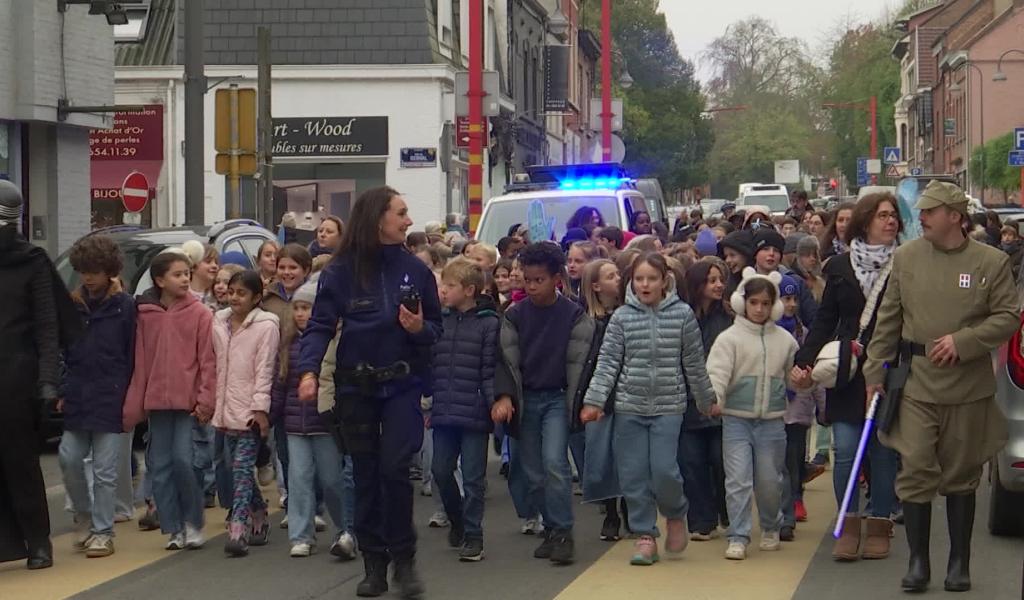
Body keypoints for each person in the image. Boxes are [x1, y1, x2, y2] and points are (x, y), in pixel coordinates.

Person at [861, 181, 1017, 593]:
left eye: (929, 212)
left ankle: (959, 563)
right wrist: (874, 372)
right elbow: (888, 321)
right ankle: (917, 562)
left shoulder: (991, 262)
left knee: (962, 474)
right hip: (916, 384)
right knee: (915, 469)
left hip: (968, 387)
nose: (921, 218)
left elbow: (1007, 317)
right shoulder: (907, 258)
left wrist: (964, 342)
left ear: (954, 216)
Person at [298, 186, 442, 598]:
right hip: (356, 387)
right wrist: (308, 372)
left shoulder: (415, 270)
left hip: (401, 385)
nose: (409, 220)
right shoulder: (339, 272)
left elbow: (436, 329)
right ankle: (374, 564)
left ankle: (405, 560)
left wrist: (419, 329)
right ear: (379, 217)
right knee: (364, 476)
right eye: (402, 213)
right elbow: (321, 326)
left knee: (395, 470)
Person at [581, 252, 714, 566]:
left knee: (665, 470)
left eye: (651, 279)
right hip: (630, 405)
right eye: (639, 279)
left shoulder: (682, 315)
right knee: (633, 474)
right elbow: (607, 364)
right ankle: (645, 536)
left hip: (670, 405)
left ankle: (676, 512)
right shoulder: (622, 317)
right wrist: (594, 401)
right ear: (631, 282)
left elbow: (694, 362)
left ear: (664, 281)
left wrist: (706, 400)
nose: (645, 284)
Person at [792, 192, 903, 561]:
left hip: (888, 370)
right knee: (844, 451)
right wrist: (805, 359)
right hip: (848, 371)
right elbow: (826, 319)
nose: (891, 222)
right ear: (866, 221)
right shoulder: (839, 266)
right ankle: (848, 523)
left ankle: (879, 523)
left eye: (894, 216)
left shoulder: (905, 264)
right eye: (883, 215)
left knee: (883, 453)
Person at [492, 242, 595, 566]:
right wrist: (505, 396)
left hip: (556, 399)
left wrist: (582, 402)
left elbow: (582, 363)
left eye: (539, 280)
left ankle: (563, 532)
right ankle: (551, 527)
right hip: (526, 400)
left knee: (555, 464)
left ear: (557, 279)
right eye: (528, 279)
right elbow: (504, 361)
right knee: (532, 472)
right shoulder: (514, 315)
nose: (532, 286)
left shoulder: (574, 315)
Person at [0, 183, 82, 570]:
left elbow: (49, 325)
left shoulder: (32, 261)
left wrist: (47, 379)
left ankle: (37, 540)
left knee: (20, 461)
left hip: (16, 376)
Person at [123, 251, 217, 551]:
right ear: (160, 280)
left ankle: (193, 522)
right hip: (156, 405)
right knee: (159, 467)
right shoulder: (146, 315)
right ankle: (172, 527)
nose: (185, 279)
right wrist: (135, 403)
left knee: (184, 462)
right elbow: (140, 361)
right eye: (177, 274)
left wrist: (205, 400)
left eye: (187, 273)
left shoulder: (201, 314)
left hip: (187, 404)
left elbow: (207, 361)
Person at [706, 268, 798, 561]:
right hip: (735, 420)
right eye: (754, 302)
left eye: (766, 303)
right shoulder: (728, 339)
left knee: (770, 480)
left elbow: (794, 376)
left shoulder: (785, 340)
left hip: (772, 422)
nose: (759, 309)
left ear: (775, 306)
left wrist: (804, 380)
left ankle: (771, 525)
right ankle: (738, 534)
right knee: (738, 480)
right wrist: (715, 398)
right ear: (741, 302)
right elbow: (717, 372)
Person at [58, 235, 136, 559]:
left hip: (111, 396)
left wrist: (132, 394)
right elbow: (62, 350)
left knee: (106, 470)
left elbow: (133, 353)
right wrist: (62, 388)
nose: (89, 277)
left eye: (95, 270)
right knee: (68, 457)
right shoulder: (72, 305)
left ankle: (103, 532)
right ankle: (84, 514)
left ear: (109, 271)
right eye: (83, 270)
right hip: (78, 394)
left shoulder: (126, 306)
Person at [270, 280, 356, 559]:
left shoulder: (334, 343)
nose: (300, 314)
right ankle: (301, 535)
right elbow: (280, 384)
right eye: (296, 308)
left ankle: (346, 528)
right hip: (295, 425)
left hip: (324, 424)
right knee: (299, 479)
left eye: (306, 308)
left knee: (332, 480)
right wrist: (271, 416)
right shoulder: (288, 344)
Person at [428, 258, 500, 562]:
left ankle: (473, 535)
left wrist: (494, 401)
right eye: (442, 285)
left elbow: (490, 369)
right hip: (444, 407)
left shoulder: (488, 323)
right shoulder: (439, 321)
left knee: (473, 477)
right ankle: (457, 519)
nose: (443, 291)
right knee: (440, 470)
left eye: (450, 286)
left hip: (474, 411)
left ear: (469, 290)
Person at [210, 270, 279, 556]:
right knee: (234, 468)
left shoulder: (266, 326)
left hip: (250, 410)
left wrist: (260, 408)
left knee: (241, 468)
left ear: (256, 298)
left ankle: (238, 527)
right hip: (226, 409)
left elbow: (265, 369)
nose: (235, 297)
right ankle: (260, 511)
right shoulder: (219, 322)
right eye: (232, 291)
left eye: (242, 293)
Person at [680, 259, 732, 542]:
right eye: (712, 280)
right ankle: (701, 520)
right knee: (692, 463)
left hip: (721, 400)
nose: (719, 285)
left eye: (720, 279)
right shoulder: (683, 316)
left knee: (721, 461)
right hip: (687, 402)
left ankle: (727, 513)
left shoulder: (729, 316)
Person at [577, 259, 628, 542]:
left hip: (626, 392)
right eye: (610, 276)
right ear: (595, 286)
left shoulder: (629, 314)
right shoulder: (585, 321)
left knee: (627, 455)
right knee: (601, 456)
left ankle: (628, 505)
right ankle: (610, 510)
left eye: (618, 274)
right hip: (596, 396)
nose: (618, 279)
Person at [775, 274, 825, 542]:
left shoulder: (803, 334)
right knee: (780, 461)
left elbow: (814, 373)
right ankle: (783, 505)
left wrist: (821, 407)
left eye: (794, 299)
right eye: (786, 299)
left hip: (799, 409)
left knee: (794, 459)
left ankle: (795, 500)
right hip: (776, 408)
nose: (791, 304)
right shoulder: (768, 333)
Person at [720, 229, 755, 299]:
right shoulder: (726, 282)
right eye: (725, 256)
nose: (727, 260)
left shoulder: (758, 282)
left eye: (732, 255)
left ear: (746, 255)